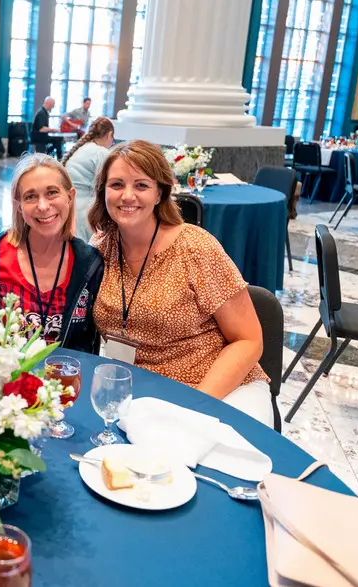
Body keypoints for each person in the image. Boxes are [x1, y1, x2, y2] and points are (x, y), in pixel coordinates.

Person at [88, 140, 270, 425]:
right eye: (116, 184)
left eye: (141, 185)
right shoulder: (100, 246)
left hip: (217, 388)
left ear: (160, 192)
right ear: (103, 191)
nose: (127, 195)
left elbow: (249, 340)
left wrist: (196, 405)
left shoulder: (195, 247)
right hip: (140, 392)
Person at [0, 153, 103, 352]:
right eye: (30, 196)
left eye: (52, 192)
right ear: (19, 206)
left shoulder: (90, 263)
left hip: (66, 379)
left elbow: (88, 343)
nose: (43, 206)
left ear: (70, 196)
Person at [62, 117, 115, 243]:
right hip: (86, 209)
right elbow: (110, 182)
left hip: (71, 205)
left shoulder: (82, 147)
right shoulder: (100, 152)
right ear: (109, 135)